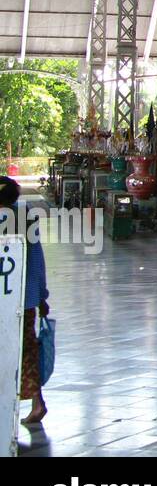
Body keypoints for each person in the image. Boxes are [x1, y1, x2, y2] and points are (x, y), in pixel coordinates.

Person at [0, 176, 49, 425]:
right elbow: (38, 259)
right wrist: (42, 296)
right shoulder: (25, 217)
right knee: (27, 349)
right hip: (26, 299)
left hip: (7, 299)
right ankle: (37, 402)